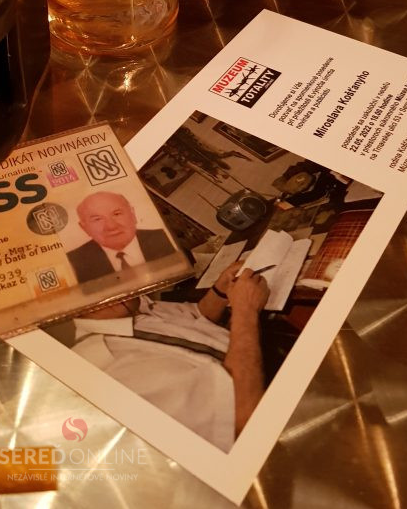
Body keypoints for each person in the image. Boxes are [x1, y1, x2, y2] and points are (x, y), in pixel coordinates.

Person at [69, 261, 270, 452]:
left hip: (259, 353)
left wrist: (220, 290)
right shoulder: (106, 369)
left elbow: (196, 316)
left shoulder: (130, 306)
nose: (115, 282)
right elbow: (242, 417)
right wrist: (246, 310)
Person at [66, 190, 174, 281]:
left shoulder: (165, 238)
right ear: (84, 228)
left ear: (133, 214)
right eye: (97, 219)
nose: (111, 226)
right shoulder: (73, 262)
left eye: (117, 214)